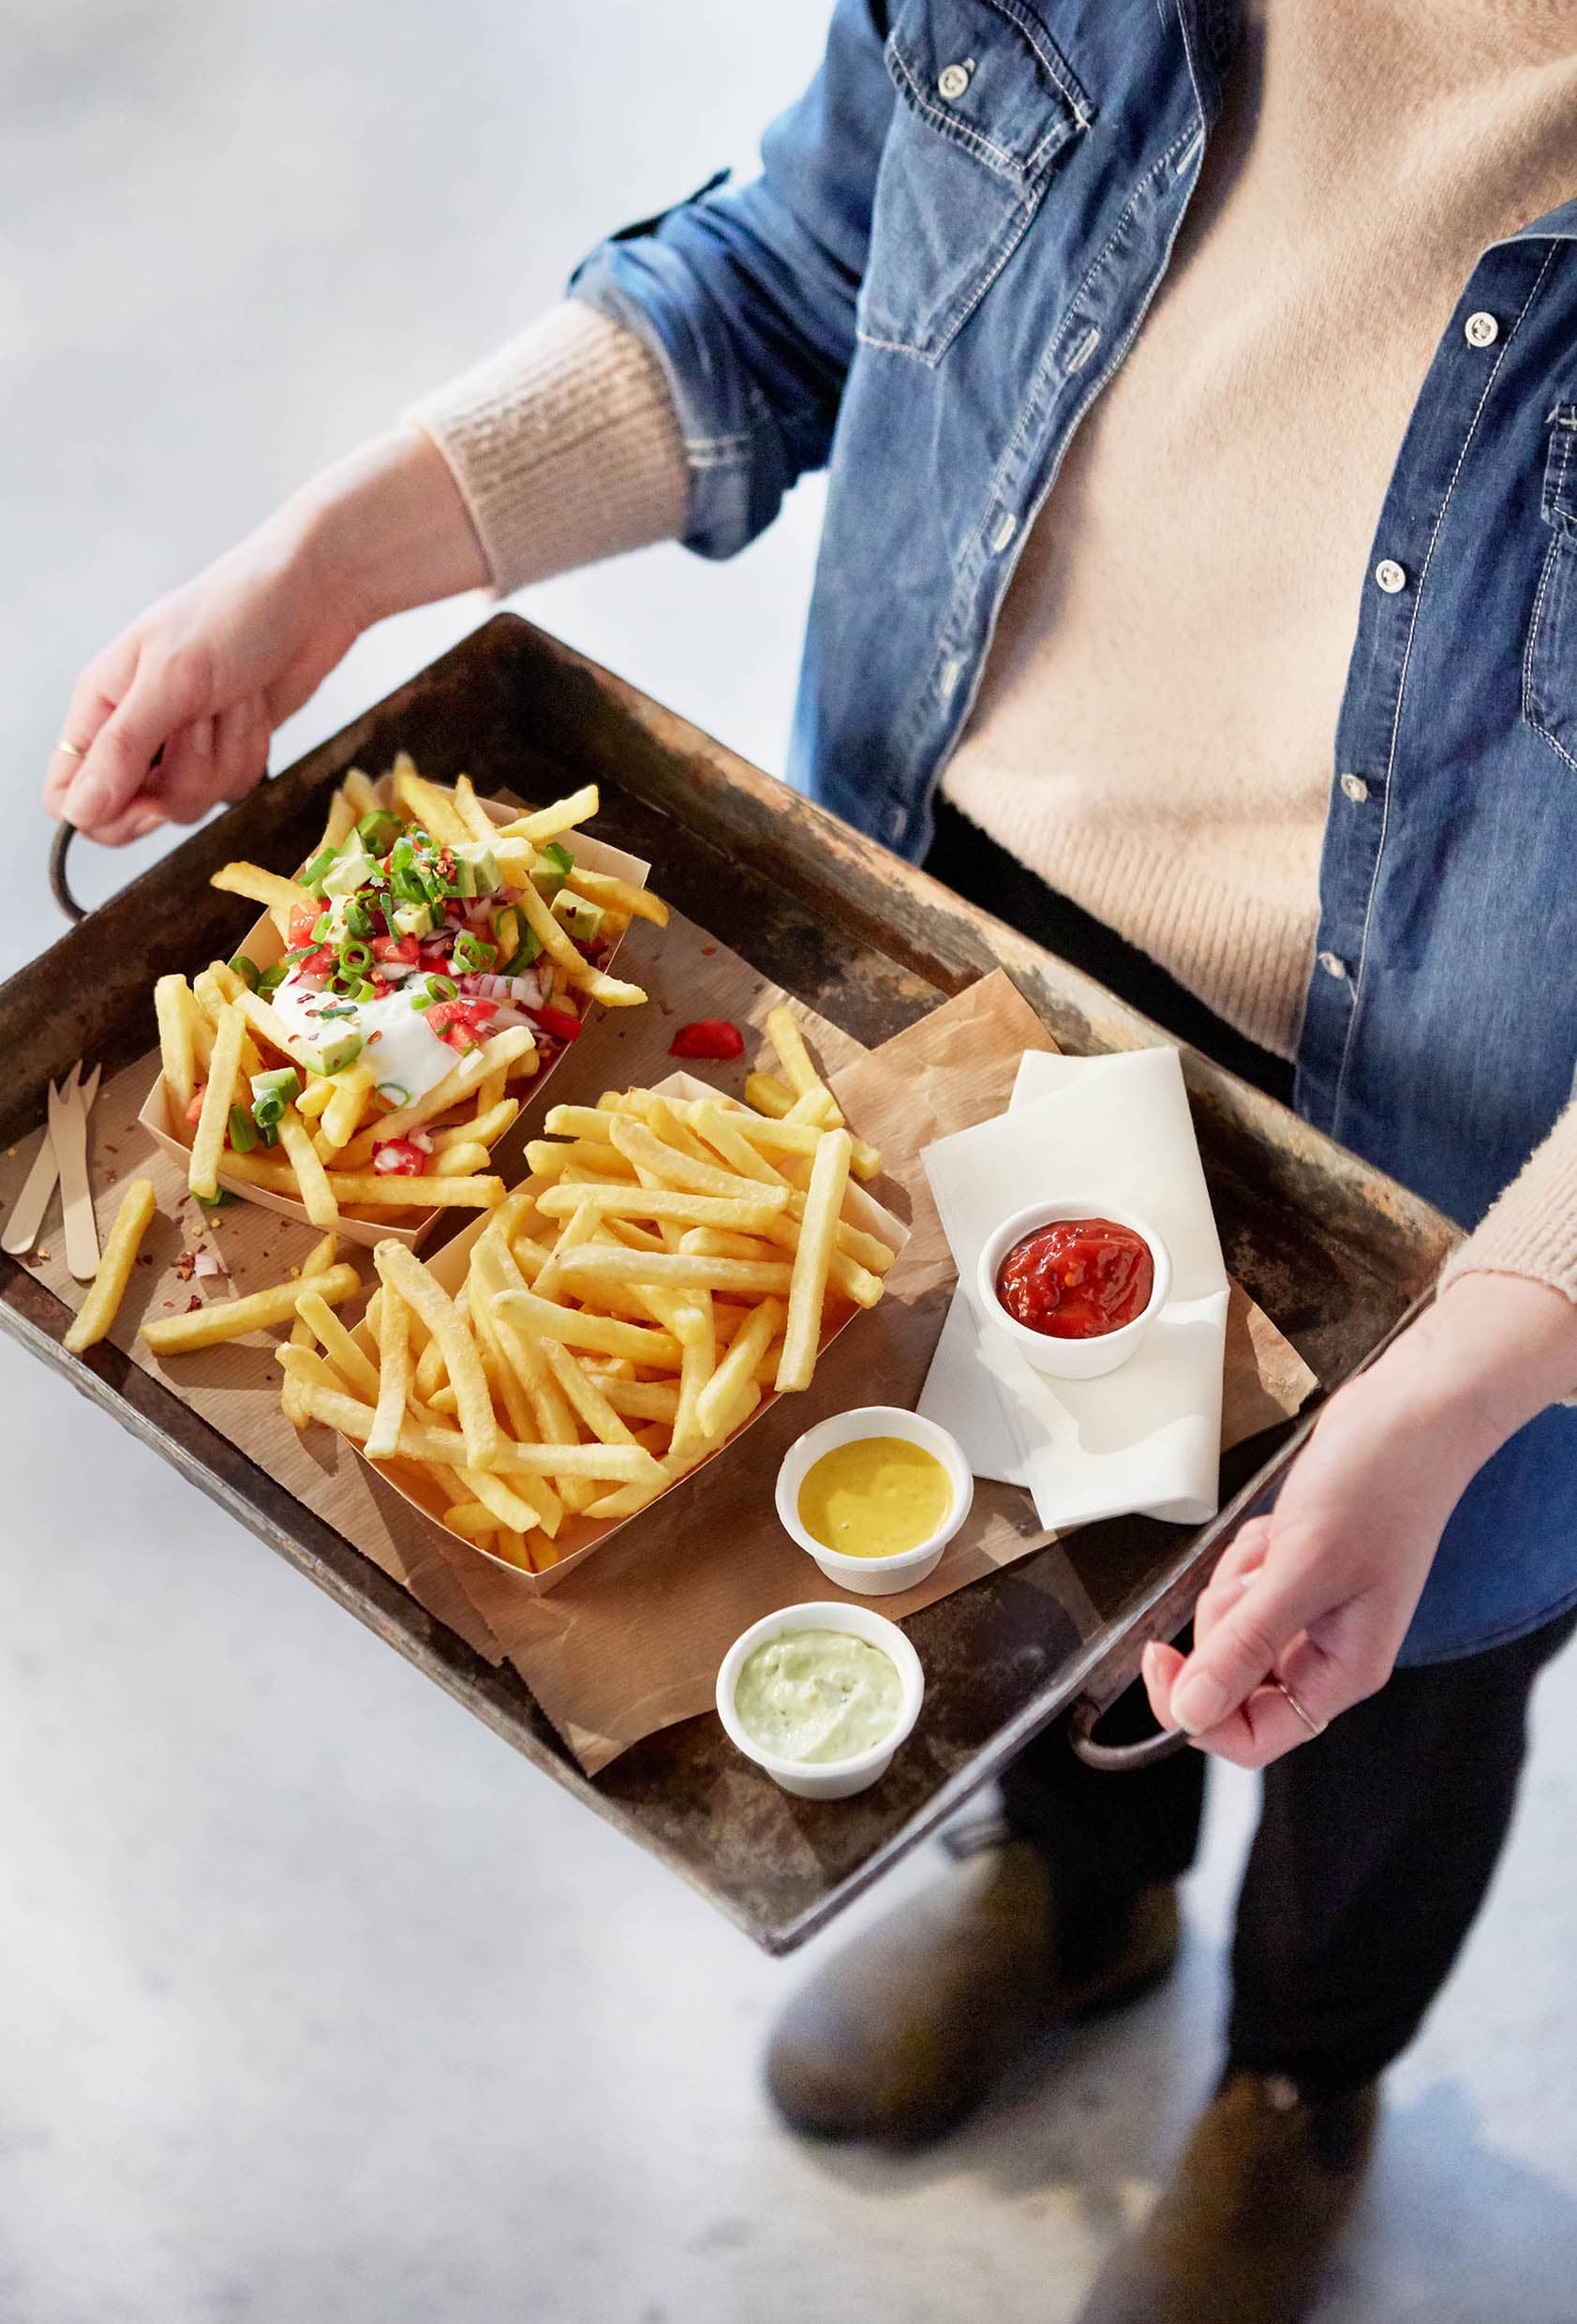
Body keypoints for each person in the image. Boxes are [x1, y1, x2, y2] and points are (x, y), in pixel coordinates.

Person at [44, 3, 1577, 2315]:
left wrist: (1473, 1375)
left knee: (1395, 1698)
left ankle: (1299, 2078)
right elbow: (793, 278)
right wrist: (336, 554)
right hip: (951, 948)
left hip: (1466, 1180)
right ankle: (1070, 1895)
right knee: (1014, 1554)